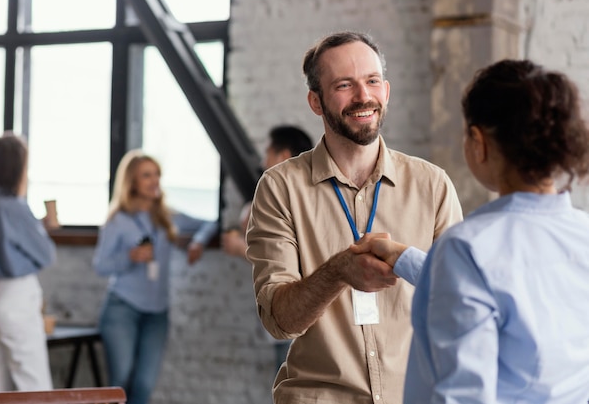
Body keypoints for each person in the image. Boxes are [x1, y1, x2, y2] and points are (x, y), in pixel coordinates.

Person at [245, 31, 463, 404]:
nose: (364, 96)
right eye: (345, 85)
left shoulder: (433, 185)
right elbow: (279, 321)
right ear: (316, 101)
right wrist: (338, 272)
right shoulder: (279, 188)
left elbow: (461, 304)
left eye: (372, 81)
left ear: (387, 90)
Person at [353, 59, 589, 402]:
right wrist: (402, 257)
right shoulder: (582, 232)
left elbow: (464, 395)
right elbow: (499, 289)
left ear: (479, 142)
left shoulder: (467, 248)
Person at [92, 149, 217, 404]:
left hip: (157, 313)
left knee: (145, 384)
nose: (154, 180)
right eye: (146, 175)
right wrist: (130, 256)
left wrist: (198, 243)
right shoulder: (118, 220)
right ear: (132, 182)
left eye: (157, 174)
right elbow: (100, 265)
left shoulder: (166, 217)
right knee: (121, 381)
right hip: (122, 309)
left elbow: (212, 223)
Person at [0, 132, 56, 404]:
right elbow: (46, 255)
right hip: (16, 298)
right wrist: (42, 229)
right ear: (16, 168)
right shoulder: (15, 208)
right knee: (35, 387)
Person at [221, 124, 314, 373]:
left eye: (268, 153)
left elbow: (293, 262)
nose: (264, 162)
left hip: (297, 318)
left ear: (282, 156)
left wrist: (241, 247)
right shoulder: (305, 195)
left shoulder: (293, 201)